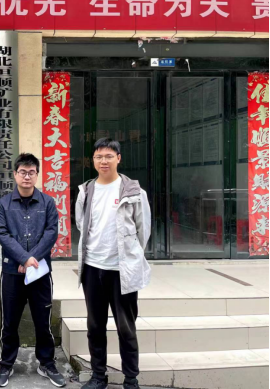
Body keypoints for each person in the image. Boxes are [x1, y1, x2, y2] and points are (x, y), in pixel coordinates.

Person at [76, 138, 151, 389]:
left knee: (126, 328)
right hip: (92, 268)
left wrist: (130, 257)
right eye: (99, 157)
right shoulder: (86, 191)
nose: (103, 161)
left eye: (109, 156)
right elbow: (82, 225)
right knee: (95, 326)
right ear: (93, 160)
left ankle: (131, 379)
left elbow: (143, 232)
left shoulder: (135, 192)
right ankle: (99, 376)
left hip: (122, 271)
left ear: (118, 158)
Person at [0, 153, 66, 388]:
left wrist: (31, 259)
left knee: (43, 322)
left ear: (37, 175)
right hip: (12, 273)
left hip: (40, 273)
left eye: (31, 172)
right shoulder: (4, 204)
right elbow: (2, 234)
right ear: (15, 174)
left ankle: (47, 363)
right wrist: (23, 258)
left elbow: (51, 233)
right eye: (22, 172)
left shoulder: (47, 202)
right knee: (9, 323)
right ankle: (6, 364)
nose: (27, 176)